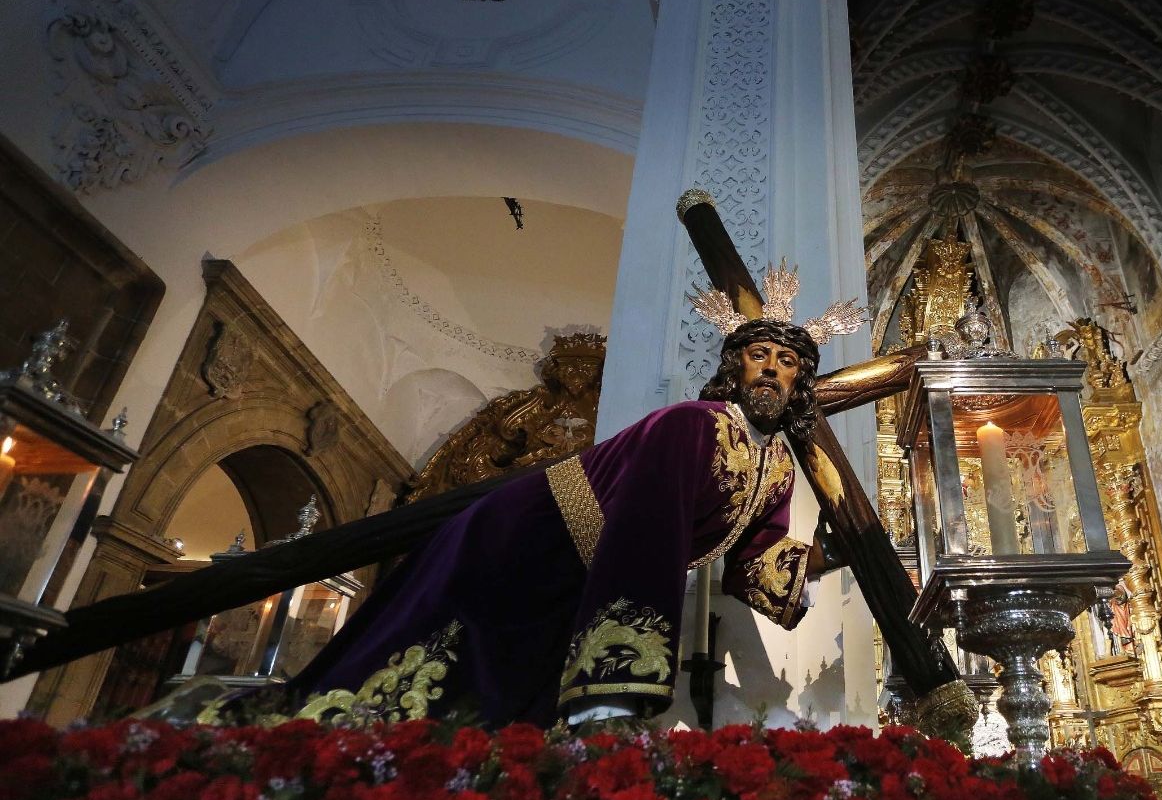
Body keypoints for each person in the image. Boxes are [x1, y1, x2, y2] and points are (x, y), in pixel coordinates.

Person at [199, 301, 851, 731]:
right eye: (759, 356)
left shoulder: (777, 469)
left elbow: (755, 564)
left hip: (575, 575)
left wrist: (835, 552)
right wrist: (614, 685)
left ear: (799, 383)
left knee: (505, 708)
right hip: (524, 538)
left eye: (787, 362)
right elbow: (645, 535)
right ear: (734, 367)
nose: (771, 370)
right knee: (421, 666)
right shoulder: (693, 424)